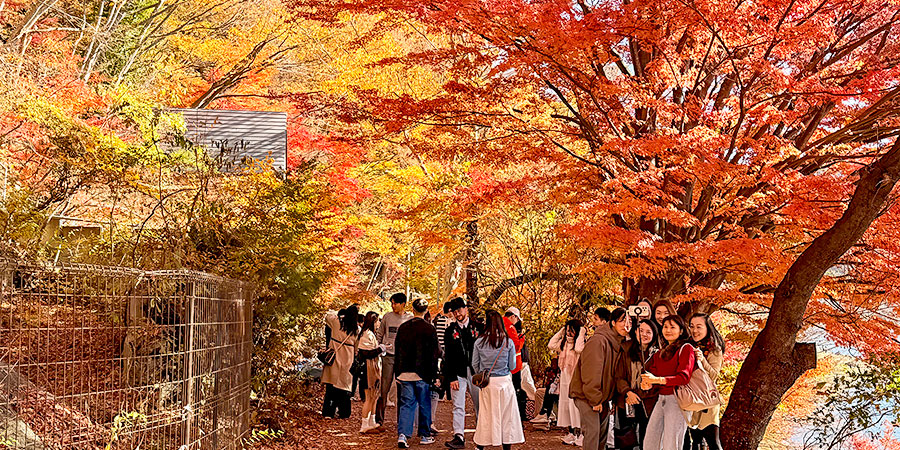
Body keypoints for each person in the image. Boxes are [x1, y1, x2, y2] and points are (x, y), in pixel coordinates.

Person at [569, 307, 628, 450]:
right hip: (587, 396)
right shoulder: (599, 341)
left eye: (629, 321)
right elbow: (591, 372)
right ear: (613, 322)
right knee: (592, 435)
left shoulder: (618, 342)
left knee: (601, 436)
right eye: (622, 321)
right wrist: (595, 398)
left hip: (602, 398)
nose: (626, 325)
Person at [640, 315, 696, 450]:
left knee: (671, 444)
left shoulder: (686, 348)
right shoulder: (660, 353)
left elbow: (683, 377)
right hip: (661, 399)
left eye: (672, 327)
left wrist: (657, 380)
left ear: (681, 330)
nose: (668, 330)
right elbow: (652, 375)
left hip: (677, 400)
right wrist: (647, 383)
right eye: (665, 327)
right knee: (650, 442)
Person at [472, 310, 525, 450]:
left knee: (486, 415)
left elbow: (475, 364)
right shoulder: (508, 342)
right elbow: (512, 365)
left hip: (488, 383)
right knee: (507, 416)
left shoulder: (479, 341)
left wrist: (483, 372)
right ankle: (506, 445)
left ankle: (481, 445)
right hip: (505, 382)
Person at [394, 298, 441, 448]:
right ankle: (425, 435)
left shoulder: (403, 328)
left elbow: (397, 351)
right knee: (424, 403)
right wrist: (435, 375)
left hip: (405, 372)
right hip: (423, 372)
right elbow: (435, 353)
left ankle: (403, 434)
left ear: (413, 310)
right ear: (426, 311)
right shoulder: (430, 329)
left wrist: (397, 372)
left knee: (407, 404)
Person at [444, 297, 485, 449]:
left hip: (477, 373)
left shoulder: (479, 327)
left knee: (479, 405)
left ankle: (482, 436)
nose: (457, 313)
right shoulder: (450, 331)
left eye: (460, 309)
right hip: (458, 373)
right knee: (458, 405)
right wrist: (451, 377)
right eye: (454, 311)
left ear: (466, 309)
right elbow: (447, 355)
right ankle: (458, 436)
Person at [616, 319, 661, 448]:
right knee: (626, 438)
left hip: (649, 401)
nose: (644, 334)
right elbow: (619, 376)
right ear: (635, 331)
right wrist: (628, 392)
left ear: (654, 334)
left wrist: (641, 394)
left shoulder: (658, 354)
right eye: (641, 331)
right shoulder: (626, 350)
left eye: (648, 332)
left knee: (646, 437)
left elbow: (659, 380)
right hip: (627, 399)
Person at [685, 313, 725, 450]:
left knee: (713, 441)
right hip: (691, 399)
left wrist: (702, 360)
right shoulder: (687, 346)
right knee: (695, 441)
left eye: (699, 327)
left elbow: (713, 376)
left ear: (707, 328)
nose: (695, 330)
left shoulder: (714, 349)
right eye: (692, 327)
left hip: (708, 401)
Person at [376, 293, 413, 426]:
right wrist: (378, 350)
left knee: (403, 389)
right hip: (388, 356)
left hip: (403, 358)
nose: (393, 306)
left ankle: (402, 421)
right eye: (391, 303)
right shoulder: (387, 316)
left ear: (403, 304)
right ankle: (379, 419)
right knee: (384, 387)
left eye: (395, 303)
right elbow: (380, 333)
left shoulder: (410, 318)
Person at [548, 319, 586, 445]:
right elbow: (551, 344)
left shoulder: (580, 344)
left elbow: (579, 349)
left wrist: (581, 332)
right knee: (566, 405)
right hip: (564, 381)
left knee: (576, 406)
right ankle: (571, 431)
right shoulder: (563, 345)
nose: (569, 333)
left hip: (576, 379)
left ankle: (581, 433)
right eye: (568, 330)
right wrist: (562, 331)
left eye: (572, 330)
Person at [322, 305, 359, 419]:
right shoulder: (356, 330)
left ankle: (328, 412)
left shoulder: (336, 323)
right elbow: (357, 349)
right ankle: (344, 412)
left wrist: (339, 315)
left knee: (331, 386)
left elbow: (327, 316)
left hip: (334, 358)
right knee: (344, 388)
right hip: (347, 360)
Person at [357, 311, 384, 433]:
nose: (379, 323)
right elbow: (365, 353)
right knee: (369, 397)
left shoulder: (371, 334)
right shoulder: (366, 335)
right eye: (377, 320)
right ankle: (364, 425)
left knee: (374, 396)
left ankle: (372, 422)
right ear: (373, 321)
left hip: (374, 368)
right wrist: (380, 349)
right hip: (367, 370)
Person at [503, 307, 527, 420]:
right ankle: (516, 414)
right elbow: (516, 346)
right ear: (513, 316)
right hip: (514, 364)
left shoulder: (498, 324)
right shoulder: (510, 327)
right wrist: (521, 340)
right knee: (515, 388)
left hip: (501, 364)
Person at [530, 357, 560, 424]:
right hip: (556, 387)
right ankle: (541, 415)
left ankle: (545, 414)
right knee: (539, 392)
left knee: (549, 391)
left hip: (561, 389)